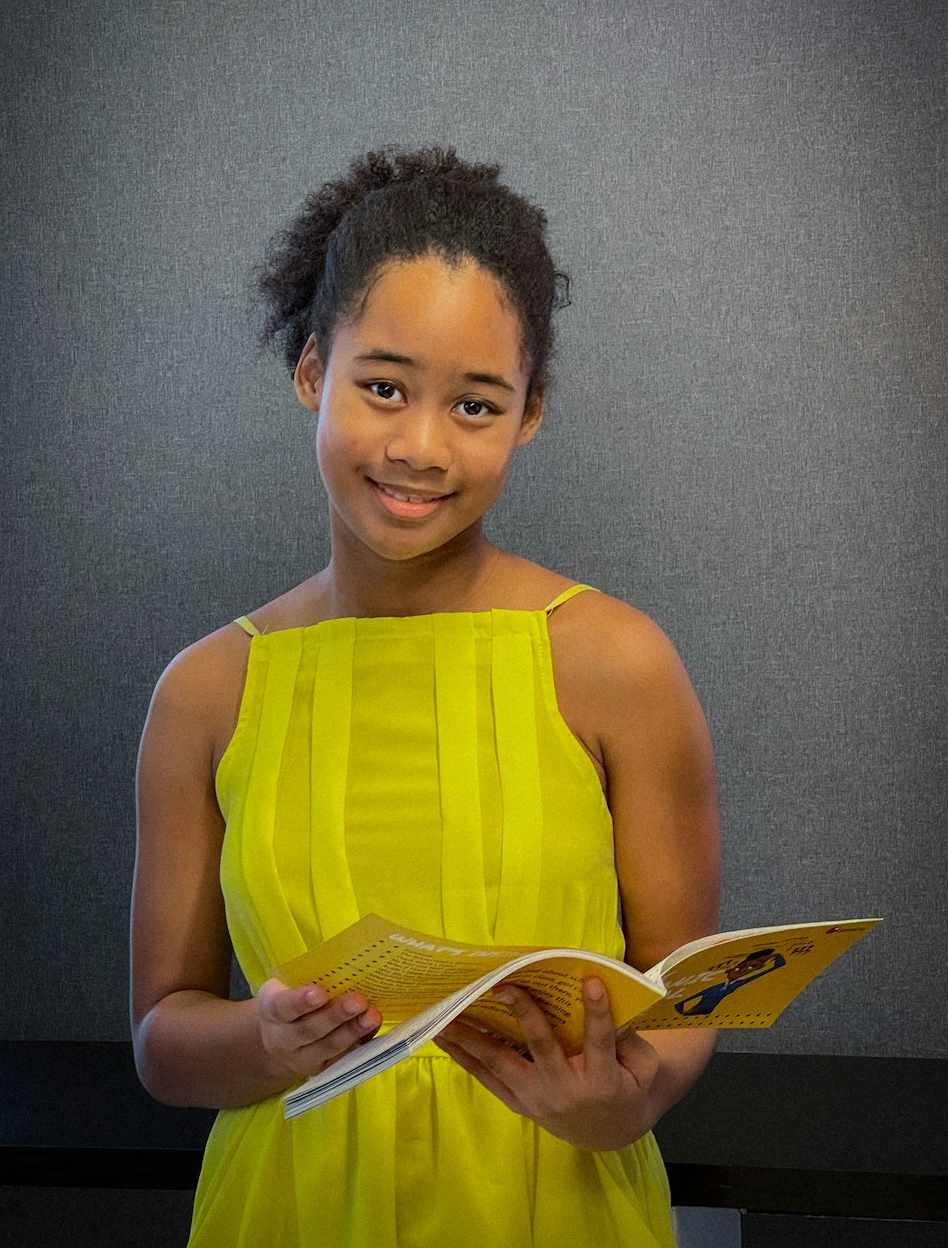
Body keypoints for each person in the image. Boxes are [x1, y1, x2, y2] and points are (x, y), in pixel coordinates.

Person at [130, 146, 721, 1247]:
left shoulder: (620, 662)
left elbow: (682, 992)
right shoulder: (206, 691)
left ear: (528, 413)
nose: (419, 446)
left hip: (555, 1209)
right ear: (312, 370)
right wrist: (263, 1041)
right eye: (384, 385)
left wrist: (625, 1100)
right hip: (287, 1209)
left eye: (476, 403)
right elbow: (162, 1037)